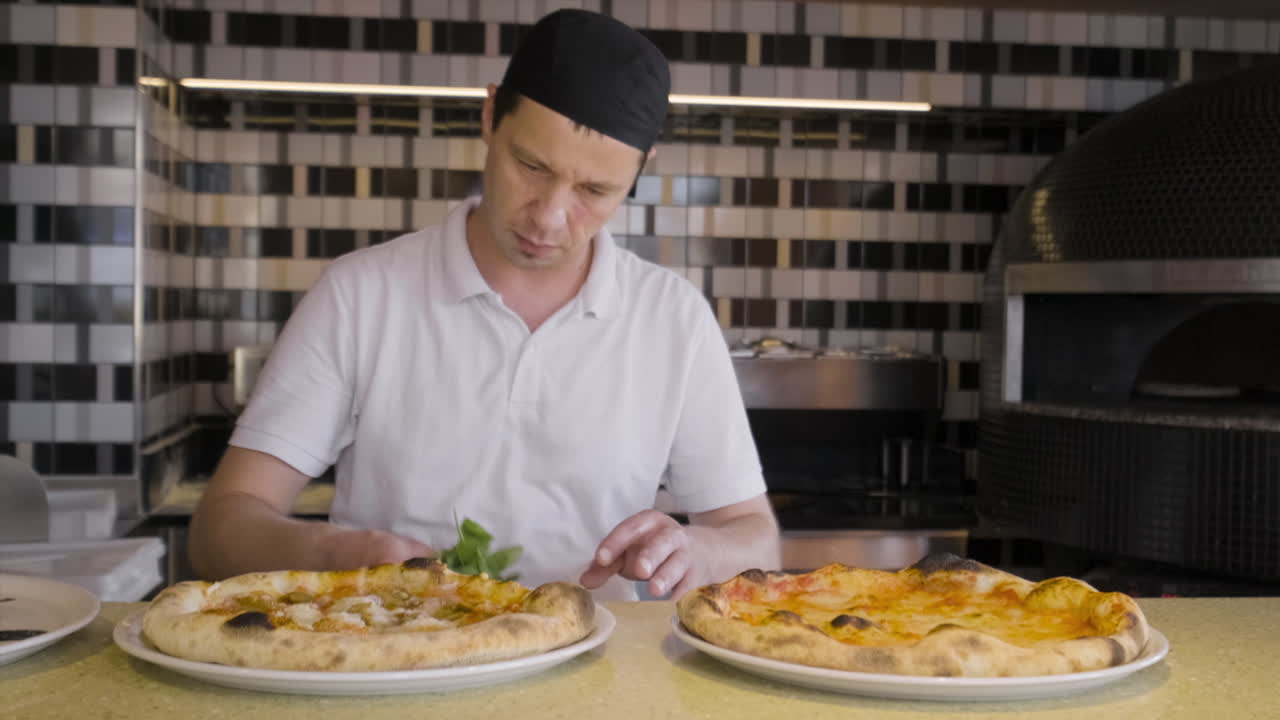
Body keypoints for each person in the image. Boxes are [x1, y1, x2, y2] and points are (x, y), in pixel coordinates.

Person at [189, 8, 780, 600]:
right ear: (491, 114)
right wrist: (338, 555)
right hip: (396, 666)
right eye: (531, 166)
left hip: (603, 679)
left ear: (638, 174)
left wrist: (698, 549)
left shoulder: (673, 320)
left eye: (594, 191)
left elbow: (754, 537)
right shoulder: (359, 296)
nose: (549, 216)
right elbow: (219, 530)